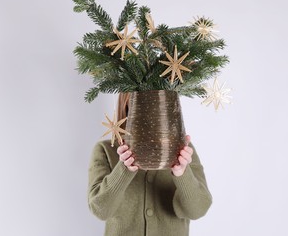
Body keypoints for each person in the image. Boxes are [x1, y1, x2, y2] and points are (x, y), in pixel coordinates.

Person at [88, 93, 212, 236]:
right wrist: (124, 169)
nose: (150, 105)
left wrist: (182, 173)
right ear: (128, 101)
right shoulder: (106, 149)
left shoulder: (182, 150)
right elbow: (100, 210)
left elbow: (198, 210)